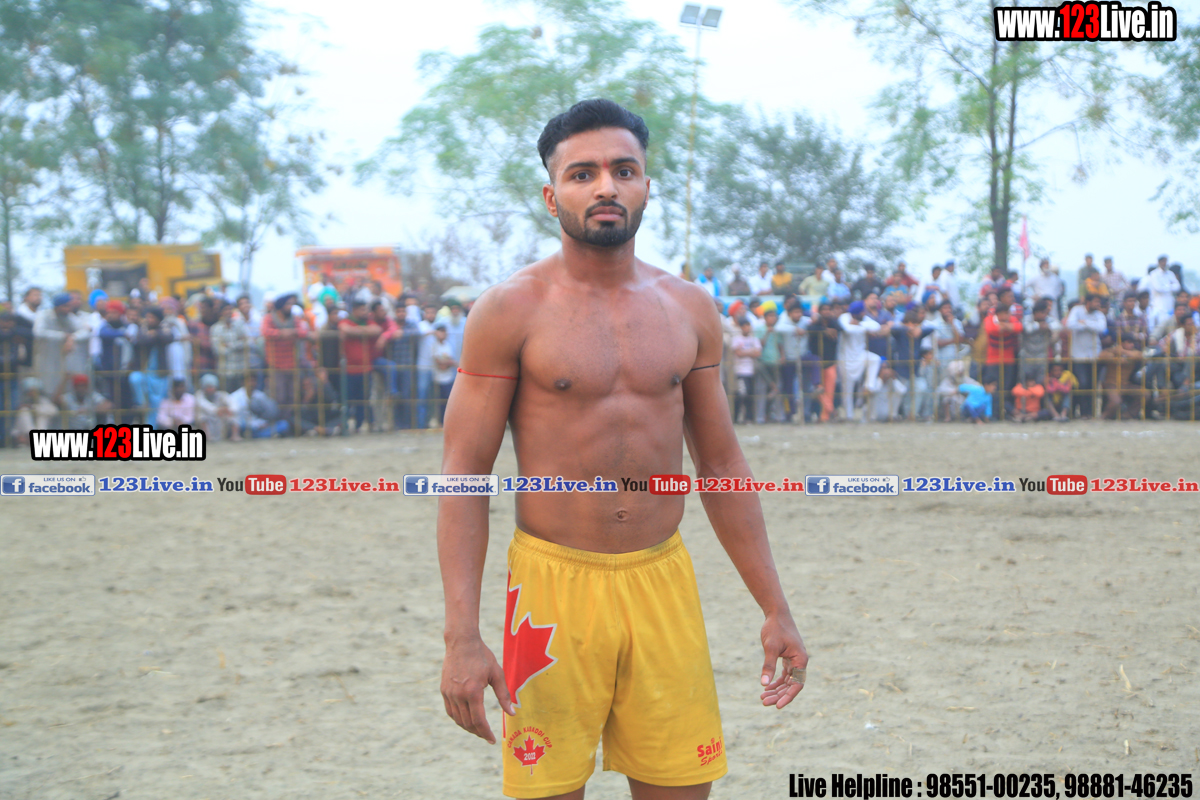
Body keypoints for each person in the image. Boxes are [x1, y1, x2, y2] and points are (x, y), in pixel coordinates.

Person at [436, 99, 806, 800]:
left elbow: (721, 466)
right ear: (552, 196)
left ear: (645, 186)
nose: (605, 186)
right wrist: (462, 636)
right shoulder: (508, 311)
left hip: (662, 583)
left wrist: (774, 606)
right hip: (550, 590)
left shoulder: (689, 308)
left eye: (623, 170)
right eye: (582, 174)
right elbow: (464, 476)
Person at [838, 300, 885, 422]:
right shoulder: (844, 317)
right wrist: (864, 328)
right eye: (862, 311)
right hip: (846, 359)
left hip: (861, 355)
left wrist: (859, 324)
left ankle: (869, 386)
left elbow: (877, 326)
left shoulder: (863, 320)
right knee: (847, 390)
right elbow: (847, 329)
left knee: (875, 359)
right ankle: (849, 416)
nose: (864, 313)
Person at [339, 301, 381, 433]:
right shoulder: (346, 321)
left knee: (364, 399)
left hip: (365, 369)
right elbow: (345, 329)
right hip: (349, 370)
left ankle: (359, 425)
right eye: (362, 310)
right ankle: (344, 426)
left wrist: (356, 331)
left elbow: (377, 330)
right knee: (347, 399)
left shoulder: (368, 322)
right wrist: (364, 331)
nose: (365, 312)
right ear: (355, 310)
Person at [128, 306, 174, 427]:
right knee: (135, 378)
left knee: (155, 404)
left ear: (158, 319)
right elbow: (141, 340)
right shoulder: (142, 328)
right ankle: (141, 403)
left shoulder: (164, 327)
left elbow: (169, 337)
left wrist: (155, 334)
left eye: (152, 317)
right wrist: (153, 336)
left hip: (159, 373)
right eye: (147, 317)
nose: (149, 319)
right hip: (144, 369)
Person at [1065, 294, 1107, 418]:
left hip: (1094, 354)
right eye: (1096, 301)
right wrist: (1091, 325)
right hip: (1078, 355)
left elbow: (1101, 328)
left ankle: (1088, 413)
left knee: (1092, 385)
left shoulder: (1099, 314)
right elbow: (1070, 324)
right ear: (1088, 302)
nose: (1098, 304)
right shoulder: (1076, 310)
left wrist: (1085, 323)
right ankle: (1077, 411)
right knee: (1082, 383)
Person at [807, 302, 839, 422]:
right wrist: (824, 330)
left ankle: (825, 417)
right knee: (819, 388)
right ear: (820, 311)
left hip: (831, 362)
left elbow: (841, 329)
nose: (826, 312)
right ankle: (832, 411)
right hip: (817, 362)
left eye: (828, 309)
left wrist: (830, 329)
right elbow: (810, 329)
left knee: (830, 391)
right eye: (824, 309)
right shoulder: (816, 324)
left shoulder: (834, 323)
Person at [1018, 299, 1060, 383]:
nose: (1045, 315)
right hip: (1027, 357)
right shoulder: (1027, 318)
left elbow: (1058, 326)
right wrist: (1038, 325)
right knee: (1025, 382)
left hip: (1042, 357)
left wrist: (1048, 327)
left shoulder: (1048, 320)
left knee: (1040, 383)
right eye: (1043, 313)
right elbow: (1028, 329)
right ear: (1036, 312)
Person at [730, 318, 762, 424]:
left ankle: (748, 418)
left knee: (750, 395)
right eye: (744, 326)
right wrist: (751, 352)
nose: (747, 328)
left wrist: (744, 352)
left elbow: (758, 353)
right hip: (740, 371)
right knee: (741, 394)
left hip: (751, 371)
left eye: (748, 326)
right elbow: (738, 353)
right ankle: (736, 417)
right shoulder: (736, 339)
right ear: (740, 327)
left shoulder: (754, 339)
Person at [196, 373, 238, 441]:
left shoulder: (222, 395)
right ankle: (207, 437)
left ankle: (235, 436)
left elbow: (234, 405)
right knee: (201, 415)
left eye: (212, 387)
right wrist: (217, 410)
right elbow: (204, 405)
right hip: (208, 420)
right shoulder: (199, 395)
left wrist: (228, 410)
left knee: (232, 415)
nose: (210, 389)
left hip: (220, 421)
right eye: (208, 387)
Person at [431, 322, 457, 427]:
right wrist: (449, 363)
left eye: (444, 332)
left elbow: (449, 361)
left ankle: (447, 423)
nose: (442, 334)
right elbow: (440, 364)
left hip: (449, 378)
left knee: (449, 402)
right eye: (440, 332)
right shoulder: (434, 346)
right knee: (439, 403)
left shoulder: (448, 345)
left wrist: (447, 362)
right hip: (438, 379)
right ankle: (439, 422)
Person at [1144, 255, 1181, 332]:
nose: (1164, 263)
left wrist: (1165, 286)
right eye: (1163, 261)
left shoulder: (1170, 274)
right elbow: (1158, 288)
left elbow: (1177, 286)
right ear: (1159, 262)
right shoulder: (1154, 274)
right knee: (1158, 323)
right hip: (1158, 304)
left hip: (1170, 303)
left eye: (1166, 261)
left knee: (1170, 323)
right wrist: (1170, 286)